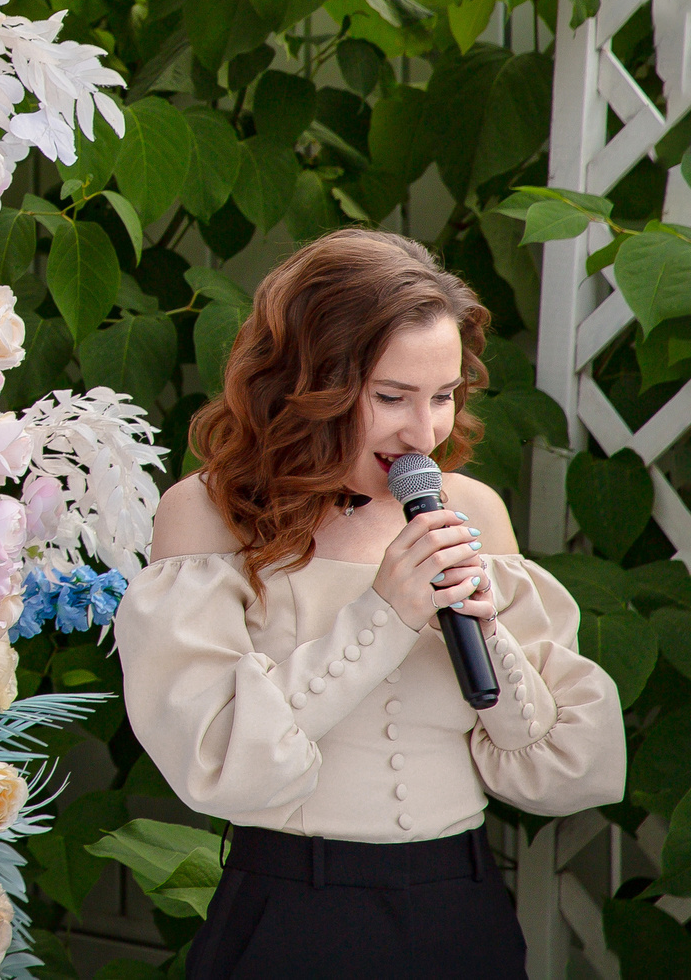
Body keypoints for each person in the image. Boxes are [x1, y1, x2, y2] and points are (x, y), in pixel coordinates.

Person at [116, 230, 624, 980]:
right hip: (290, 913)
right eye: (391, 397)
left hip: (463, 905)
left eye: (443, 395)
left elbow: (562, 771)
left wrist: (485, 628)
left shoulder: (471, 507)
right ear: (305, 382)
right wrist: (382, 614)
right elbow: (217, 760)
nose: (424, 432)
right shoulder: (209, 513)